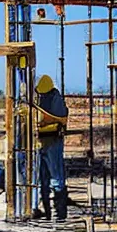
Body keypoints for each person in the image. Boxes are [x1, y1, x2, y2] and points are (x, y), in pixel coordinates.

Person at [33, 75, 69, 222]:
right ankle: (48, 212)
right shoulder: (45, 97)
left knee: (55, 178)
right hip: (42, 142)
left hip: (52, 141)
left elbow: (59, 116)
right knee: (43, 179)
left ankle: (57, 213)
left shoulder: (54, 99)